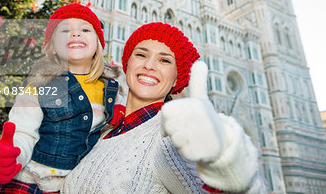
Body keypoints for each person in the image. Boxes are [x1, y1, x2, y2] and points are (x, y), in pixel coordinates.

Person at [62, 22, 266, 193]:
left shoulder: (171, 139)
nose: (149, 65)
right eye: (141, 55)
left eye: (164, 60)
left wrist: (226, 165)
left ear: (177, 78)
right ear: (128, 62)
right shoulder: (102, 127)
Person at [0, 3, 120, 193]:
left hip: (71, 187)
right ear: (53, 47)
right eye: (65, 30)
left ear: (98, 43)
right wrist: (10, 156)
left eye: (85, 29)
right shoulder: (41, 84)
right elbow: (23, 132)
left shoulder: (111, 90)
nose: (75, 34)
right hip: (28, 181)